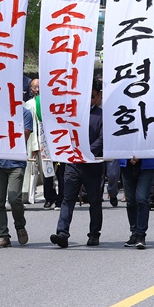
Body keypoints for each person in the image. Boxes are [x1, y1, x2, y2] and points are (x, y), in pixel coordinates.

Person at [51, 79, 105, 248]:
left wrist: (88, 152)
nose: (88, 99)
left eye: (92, 96)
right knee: (68, 198)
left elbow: (103, 138)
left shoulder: (102, 115)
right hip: (73, 163)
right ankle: (62, 233)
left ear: (98, 97)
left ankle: (94, 234)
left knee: (95, 200)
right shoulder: (71, 114)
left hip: (92, 164)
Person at [0, 105, 34, 248]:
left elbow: (24, 136)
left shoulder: (25, 114)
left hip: (16, 164)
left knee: (14, 198)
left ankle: (20, 225)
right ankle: (3, 236)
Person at [22, 79, 59, 209]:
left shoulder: (48, 102)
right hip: (35, 140)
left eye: (39, 86)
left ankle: (51, 196)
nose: (37, 89)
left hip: (49, 140)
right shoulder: (29, 104)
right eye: (34, 87)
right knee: (38, 171)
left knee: (48, 171)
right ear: (31, 90)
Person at [120, 155, 154, 249]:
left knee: (142, 198)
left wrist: (140, 156)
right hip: (126, 164)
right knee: (130, 201)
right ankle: (134, 232)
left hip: (146, 164)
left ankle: (141, 234)